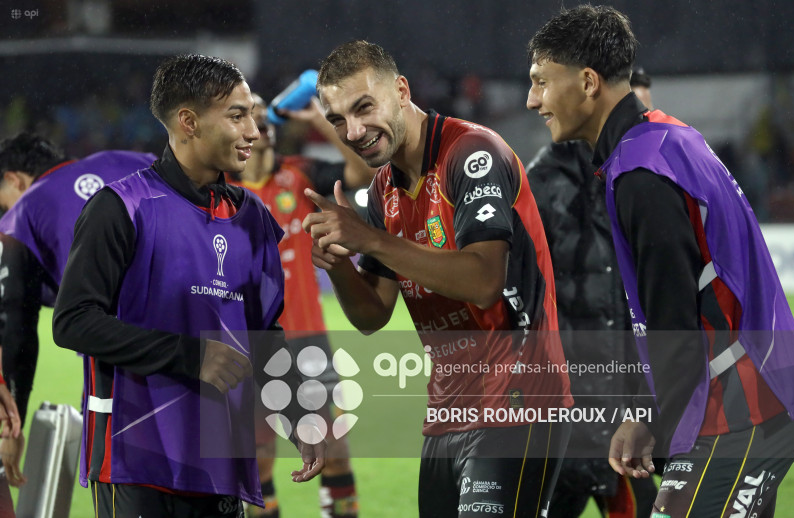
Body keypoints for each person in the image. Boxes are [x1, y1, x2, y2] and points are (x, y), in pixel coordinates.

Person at [526, 6, 794, 517]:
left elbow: (674, 326)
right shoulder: (664, 139)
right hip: (750, 390)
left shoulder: (641, 174)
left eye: (542, 82)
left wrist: (643, 419)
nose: (532, 100)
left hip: (743, 404)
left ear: (587, 82)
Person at [303, 40, 573, 518]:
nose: (354, 130)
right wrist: (340, 261)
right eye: (338, 120)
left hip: (519, 403)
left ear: (401, 90)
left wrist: (371, 239)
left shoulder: (472, 153)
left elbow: (485, 279)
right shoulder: (385, 186)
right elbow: (372, 313)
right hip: (445, 417)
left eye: (364, 107)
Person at [52, 54, 325, 517]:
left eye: (252, 119)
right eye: (237, 117)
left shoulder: (253, 218)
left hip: (222, 466)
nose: (253, 133)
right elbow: (73, 322)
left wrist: (294, 410)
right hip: (134, 462)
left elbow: (265, 332)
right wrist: (192, 356)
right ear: (188, 122)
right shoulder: (121, 208)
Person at [230, 92, 373, 518]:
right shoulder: (221, 192)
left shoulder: (300, 175)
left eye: (262, 114)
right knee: (259, 450)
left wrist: (322, 121)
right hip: (252, 342)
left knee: (332, 445)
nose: (259, 123)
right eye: (248, 116)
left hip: (307, 338)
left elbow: (360, 172)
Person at [526, 69, 657, 517]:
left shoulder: (648, 176)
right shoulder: (539, 184)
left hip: (629, 400)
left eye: (643, 108)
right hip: (564, 407)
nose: (637, 120)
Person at [0, 132, 156, 486]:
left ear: (14, 180)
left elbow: (15, 326)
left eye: (3, 201)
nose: (6, 210)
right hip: (200, 339)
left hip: (121, 362)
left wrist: (13, 423)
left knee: (127, 488)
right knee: (210, 484)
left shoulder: (22, 214)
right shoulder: (129, 159)